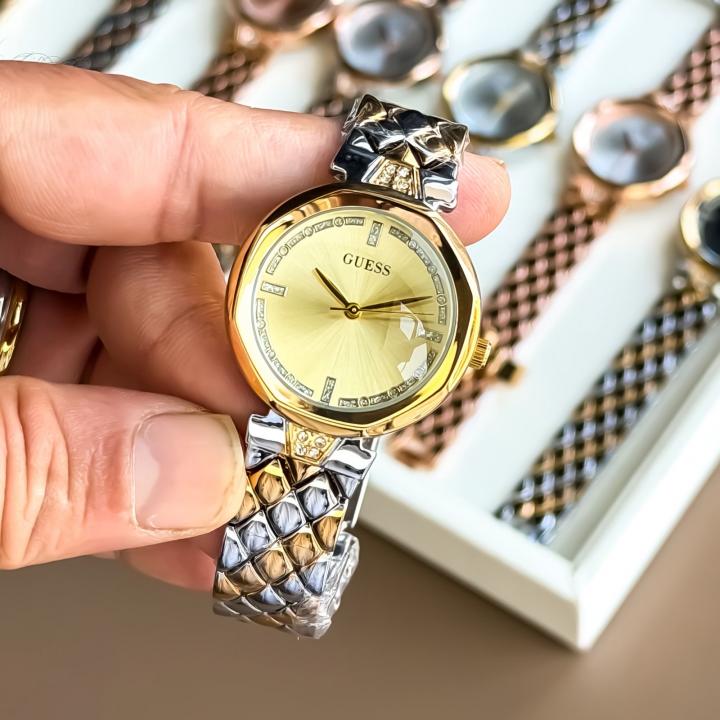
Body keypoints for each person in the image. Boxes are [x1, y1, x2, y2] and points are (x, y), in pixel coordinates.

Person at [0, 61, 509, 590]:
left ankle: (290, 581)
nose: (353, 310)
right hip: (284, 387)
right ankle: (285, 579)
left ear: (462, 350)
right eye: (352, 306)